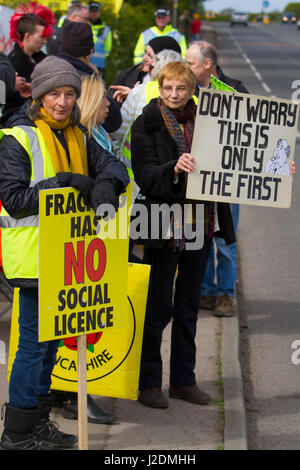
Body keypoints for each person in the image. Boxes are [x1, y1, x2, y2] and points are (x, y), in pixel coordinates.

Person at [0, 55, 129, 450]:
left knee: (53, 343)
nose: (62, 102)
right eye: (54, 94)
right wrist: (65, 183)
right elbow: (14, 199)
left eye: (69, 94)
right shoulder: (17, 136)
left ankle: (39, 424)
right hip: (35, 257)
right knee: (33, 346)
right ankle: (17, 434)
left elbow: (115, 165)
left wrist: (105, 183)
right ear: (39, 96)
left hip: (69, 260)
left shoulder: (77, 132)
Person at [130, 62, 235, 408]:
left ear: (192, 90)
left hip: (201, 223)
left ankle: (183, 381)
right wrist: (172, 168)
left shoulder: (210, 120)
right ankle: (148, 384)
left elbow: (238, 157)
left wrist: (276, 167)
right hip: (163, 224)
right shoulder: (146, 123)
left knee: (189, 303)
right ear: (159, 89)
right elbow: (144, 175)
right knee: (158, 306)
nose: (174, 95)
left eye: (181, 89)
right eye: (167, 88)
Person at [56, 74, 116, 425]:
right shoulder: (82, 135)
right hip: (73, 240)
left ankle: (72, 392)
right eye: (105, 98)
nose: (110, 104)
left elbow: (114, 169)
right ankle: (71, 395)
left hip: (95, 237)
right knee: (74, 323)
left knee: (85, 322)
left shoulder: (95, 136)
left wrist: (108, 181)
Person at [185, 40, 248, 317]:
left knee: (225, 241)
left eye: (190, 63)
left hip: (226, 183)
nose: (186, 68)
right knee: (201, 237)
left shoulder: (235, 89)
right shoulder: (187, 91)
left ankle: (225, 294)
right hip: (197, 179)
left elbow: (258, 135)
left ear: (207, 64)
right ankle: (207, 293)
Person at [58, 21, 122, 134]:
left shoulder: (49, 71)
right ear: (89, 52)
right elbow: (113, 121)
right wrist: (96, 78)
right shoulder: (87, 81)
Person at [8, 8, 55, 82]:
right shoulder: (15, 62)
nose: (44, 41)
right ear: (28, 36)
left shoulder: (40, 58)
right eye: (41, 37)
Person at [88, 1, 112, 76]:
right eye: (92, 11)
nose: (94, 13)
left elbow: (108, 49)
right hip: (85, 64)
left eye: (96, 11)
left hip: (99, 65)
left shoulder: (106, 29)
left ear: (99, 12)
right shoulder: (84, 25)